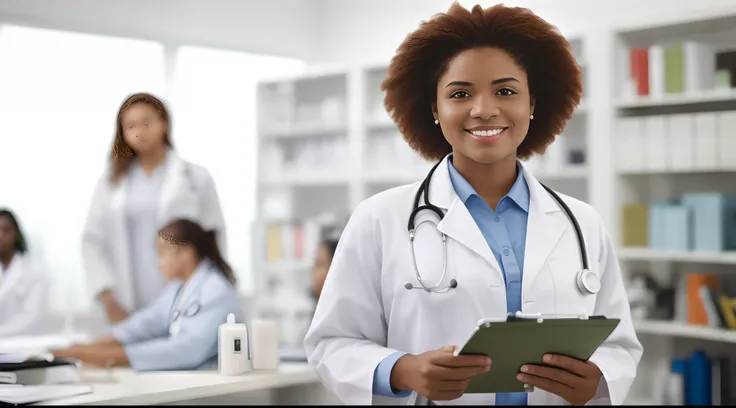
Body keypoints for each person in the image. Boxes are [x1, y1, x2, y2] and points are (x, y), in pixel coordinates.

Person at [304, 3, 642, 406]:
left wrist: (599, 379)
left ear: (532, 103)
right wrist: (403, 369)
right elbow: (332, 343)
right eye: (460, 93)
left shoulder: (582, 223)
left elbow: (620, 344)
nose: (484, 109)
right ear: (434, 108)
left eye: (506, 91)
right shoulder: (379, 218)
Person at [82, 92, 226, 325]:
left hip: (185, 297)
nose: (139, 131)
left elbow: (213, 237)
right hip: (124, 304)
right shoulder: (111, 182)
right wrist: (108, 300)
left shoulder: (195, 178)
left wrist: (206, 292)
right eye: (130, 126)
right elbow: (92, 241)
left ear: (164, 123)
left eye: (146, 122)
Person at [52, 219, 244, 371]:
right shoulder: (178, 289)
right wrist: (87, 348)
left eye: (163, 253)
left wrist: (94, 355)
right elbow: (142, 325)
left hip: (216, 386)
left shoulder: (215, 289)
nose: (158, 263)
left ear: (186, 252)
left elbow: (187, 350)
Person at [0, 208, 46, 337]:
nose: (0, 236)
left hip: (20, 346)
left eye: (6, 230)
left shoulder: (32, 273)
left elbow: (30, 318)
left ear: (16, 235)